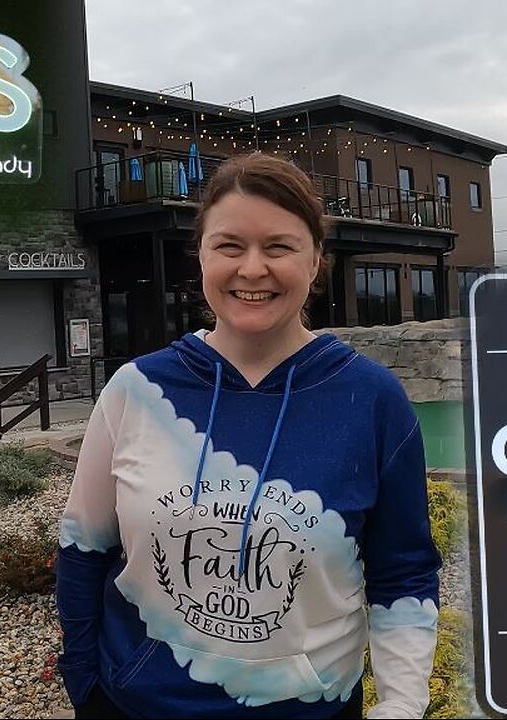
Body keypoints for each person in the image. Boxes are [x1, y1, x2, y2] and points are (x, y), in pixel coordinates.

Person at [56, 152, 441, 719]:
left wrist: (403, 704)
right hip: (139, 705)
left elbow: (402, 570)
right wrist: (85, 684)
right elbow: (82, 547)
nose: (252, 269)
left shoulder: (372, 399)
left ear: (316, 261)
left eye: (279, 247)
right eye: (230, 246)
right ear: (202, 257)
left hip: (312, 708)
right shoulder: (135, 390)